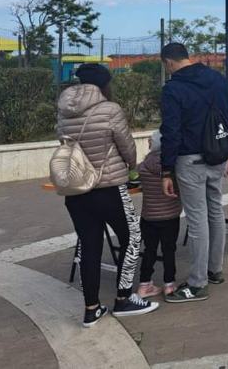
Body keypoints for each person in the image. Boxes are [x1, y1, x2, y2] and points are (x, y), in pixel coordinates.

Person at [57, 63, 158, 327]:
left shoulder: (64, 111)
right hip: (110, 187)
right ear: (104, 83)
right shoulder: (110, 109)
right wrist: (132, 166)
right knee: (132, 238)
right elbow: (127, 148)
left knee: (89, 246)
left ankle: (91, 309)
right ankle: (123, 298)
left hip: (77, 190)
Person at [160, 43, 228, 303]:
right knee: (215, 210)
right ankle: (215, 270)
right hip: (217, 155)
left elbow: (170, 132)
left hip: (189, 159)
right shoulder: (217, 79)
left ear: (168, 63)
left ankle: (197, 283)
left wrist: (165, 170)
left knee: (197, 219)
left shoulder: (173, 88)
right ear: (188, 57)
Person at [137, 131, 181, 299]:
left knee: (150, 250)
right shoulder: (173, 166)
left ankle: (144, 285)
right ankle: (169, 284)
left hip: (148, 217)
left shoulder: (143, 166)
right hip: (170, 217)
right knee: (169, 250)